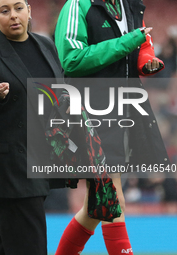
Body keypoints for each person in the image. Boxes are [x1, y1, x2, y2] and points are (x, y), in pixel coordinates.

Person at [54, 0, 169, 254]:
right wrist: (127, 42)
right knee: (113, 199)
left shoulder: (129, 5)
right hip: (89, 113)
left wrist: (146, 60)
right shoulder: (77, 6)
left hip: (123, 110)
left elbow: (142, 45)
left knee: (95, 209)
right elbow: (71, 59)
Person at [0, 0, 64, 254]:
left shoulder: (46, 45)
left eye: (19, 8)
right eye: (5, 11)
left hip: (42, 159)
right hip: (10, 167)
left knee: (4, 241)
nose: (13, 16)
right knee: (31, 244)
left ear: (29, 10)